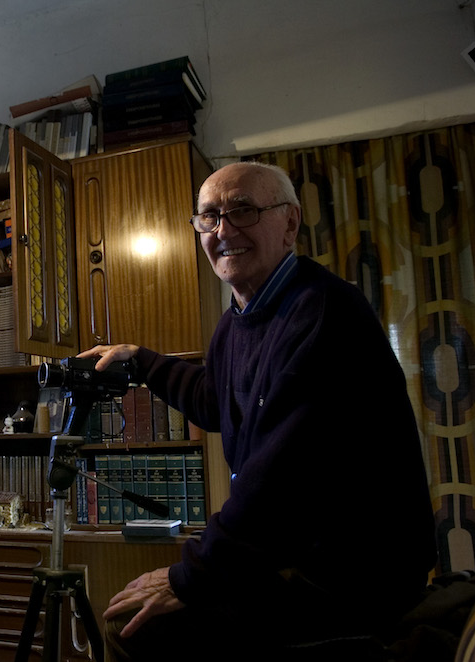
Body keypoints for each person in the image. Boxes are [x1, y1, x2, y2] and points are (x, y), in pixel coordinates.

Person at [80, 161, 437, 660]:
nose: (223, 231)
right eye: (209, 217)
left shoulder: (323, 313)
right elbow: (216, 401)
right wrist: (141, 361)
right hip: (297, 553)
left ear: (290, 223)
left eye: (243, 211)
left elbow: (281, 482)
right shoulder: (238, 321)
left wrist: (190, 576)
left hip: (351, 573)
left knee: (129, 631)